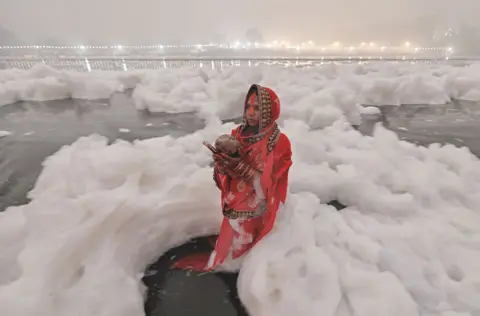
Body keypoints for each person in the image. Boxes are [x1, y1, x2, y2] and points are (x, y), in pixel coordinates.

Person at [173, 84, 293, 272]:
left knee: (244, 243)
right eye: (249, 107)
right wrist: (222, 165)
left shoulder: (278, 142)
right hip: (234, 202)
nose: (251, 112)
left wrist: (241, 168)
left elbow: (269, 185)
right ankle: (227, 254)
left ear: (270, 111)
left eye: (258, 108)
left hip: (257, 207)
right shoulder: (237, 134)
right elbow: (224, 177)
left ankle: (241, 260)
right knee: (230, 232)